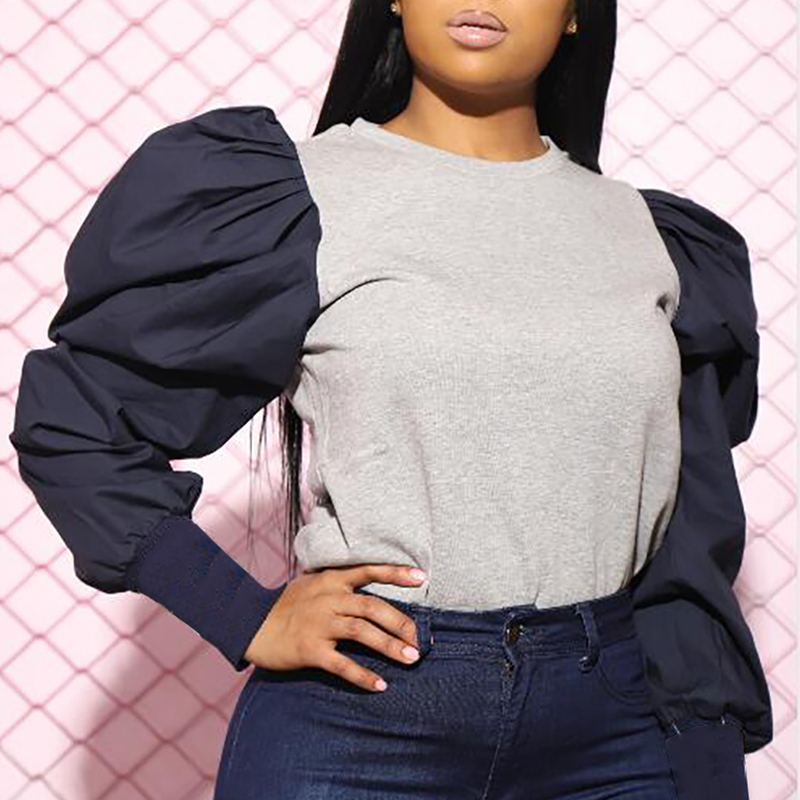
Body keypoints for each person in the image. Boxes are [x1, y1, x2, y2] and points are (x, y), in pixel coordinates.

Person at [9, 0, 772, 798]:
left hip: (613, 733)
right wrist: (239, 611)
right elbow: (75, 417)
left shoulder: (655, 238)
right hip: (360, 724)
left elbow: (689, 533)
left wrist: (707, 755)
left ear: (577, 12)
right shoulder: (294, 198)